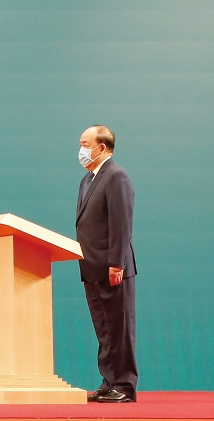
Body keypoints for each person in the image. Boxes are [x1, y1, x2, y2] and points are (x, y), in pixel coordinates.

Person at [74, 125, 137, 403]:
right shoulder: (87, 180)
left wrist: (116, 263)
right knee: (104, 330)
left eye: (85, 144)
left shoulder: (116, 176)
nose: (81, 150)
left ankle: (124, 386)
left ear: (102, 147)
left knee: (119, 329)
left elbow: (121, 223)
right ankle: (108, 382)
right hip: (91, 267)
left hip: (112, 268)